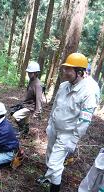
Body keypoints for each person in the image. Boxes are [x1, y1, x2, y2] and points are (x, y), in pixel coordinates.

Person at [37, 53, 100, 192]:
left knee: (54, 164)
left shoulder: (88, 92)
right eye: (65, 68)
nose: (64, 72)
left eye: (68, 69)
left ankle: (55, 188)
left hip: (68, 134)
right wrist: (50, 124)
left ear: (79, 72)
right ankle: (49, 177)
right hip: (55, 128)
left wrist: (74, 139)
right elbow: (55, 107)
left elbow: (84, 120)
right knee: (49, 156)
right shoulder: (64, 86)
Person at [11, 61, 43, 134]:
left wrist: (37, 112)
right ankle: (25, 133)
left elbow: (39, 99)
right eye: (28, 72)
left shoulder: (38, 85)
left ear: (35, 73)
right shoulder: (31, 81)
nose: (28, 74)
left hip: (30, 107)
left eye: (30, 73)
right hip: (26, 104)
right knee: (25, 120)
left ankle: (22, 130)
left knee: (15, 116)